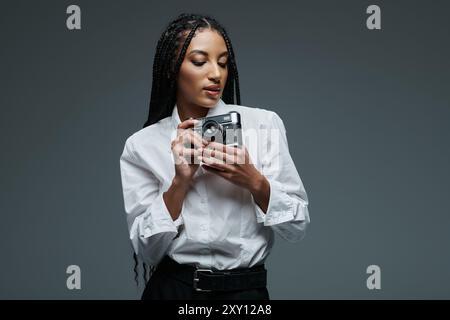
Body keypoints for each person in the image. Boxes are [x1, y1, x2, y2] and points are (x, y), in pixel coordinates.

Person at [119, 13, 310, 300]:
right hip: (175, 292)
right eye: (199, 61)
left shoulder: (263, 125)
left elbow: (297, 227)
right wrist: (180, 183)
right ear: (173, 68)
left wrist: (255, 182)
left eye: (223, 63)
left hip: (246, 294)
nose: (216, 74)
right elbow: (147, 251)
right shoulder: (142, 145)